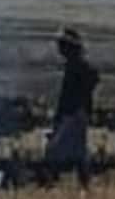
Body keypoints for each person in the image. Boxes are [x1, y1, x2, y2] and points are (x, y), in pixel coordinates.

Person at [41, 27, 100, 189]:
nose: (59, 49)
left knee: (56, 149)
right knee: (77, 149)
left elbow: (76, 93)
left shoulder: (78, 67)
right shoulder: (75, 66)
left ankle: (52, 182)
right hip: (76, 113)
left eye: (62, 46)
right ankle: (83, 184)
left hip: (74, 114)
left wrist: (71, 111)